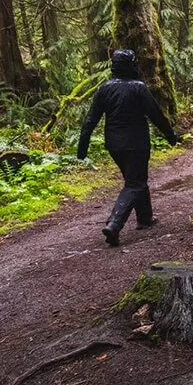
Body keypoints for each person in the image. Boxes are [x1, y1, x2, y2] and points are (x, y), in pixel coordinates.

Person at [77, 49, 182, 246]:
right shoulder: (139, 87)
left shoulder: (104, 88)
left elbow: (90, 119)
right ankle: (114, 224)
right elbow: (156, 114)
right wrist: (170, 135)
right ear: (131, 65)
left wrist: (82, 146)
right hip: (137, 143)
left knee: (135, 179)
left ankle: (145, 218)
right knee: (135, 183)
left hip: (114, 145)